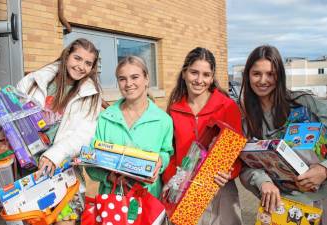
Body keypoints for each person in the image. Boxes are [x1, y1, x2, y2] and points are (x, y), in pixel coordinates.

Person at [16, 38, 103, 225]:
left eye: (88, 63)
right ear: (66, 55)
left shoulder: (91, 95)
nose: (81, 66)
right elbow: (12, 115)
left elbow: (84, 134)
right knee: (33, 220)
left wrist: (55, 155)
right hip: (29, 170)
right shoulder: (33, 81)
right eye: (77, 58)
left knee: (66, 221)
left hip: (63, 170)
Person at [239, 45, 327, 224]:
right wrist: (263, 182)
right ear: (247, 75)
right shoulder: (243, 118)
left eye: (270, 74)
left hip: (322, 197)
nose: (263, 80)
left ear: (279, 75)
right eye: (256, 74)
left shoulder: (304, 103)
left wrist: (324, 168)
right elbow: (244, 164)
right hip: (283, 206)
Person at [163, 47, 243, 225]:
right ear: (184, 73)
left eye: (206, 75)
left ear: (212, 77)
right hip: (184, 194)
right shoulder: (174, 109)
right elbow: (170, 152)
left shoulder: (228, 107)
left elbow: (237, 153)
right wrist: (172, 181)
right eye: (194, 73)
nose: (199, 80)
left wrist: (230, 172)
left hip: (219, 190)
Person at [85, 55, 174, 198]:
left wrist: (161, 161)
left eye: (135, 77)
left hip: (147, 201)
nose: (128, 83)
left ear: (146, 79)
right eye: (122, 79)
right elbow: (90, 161)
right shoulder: (104, 118)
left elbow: (166, 152)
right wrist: (109, 177)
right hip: (112, 202)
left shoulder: (164, 120)